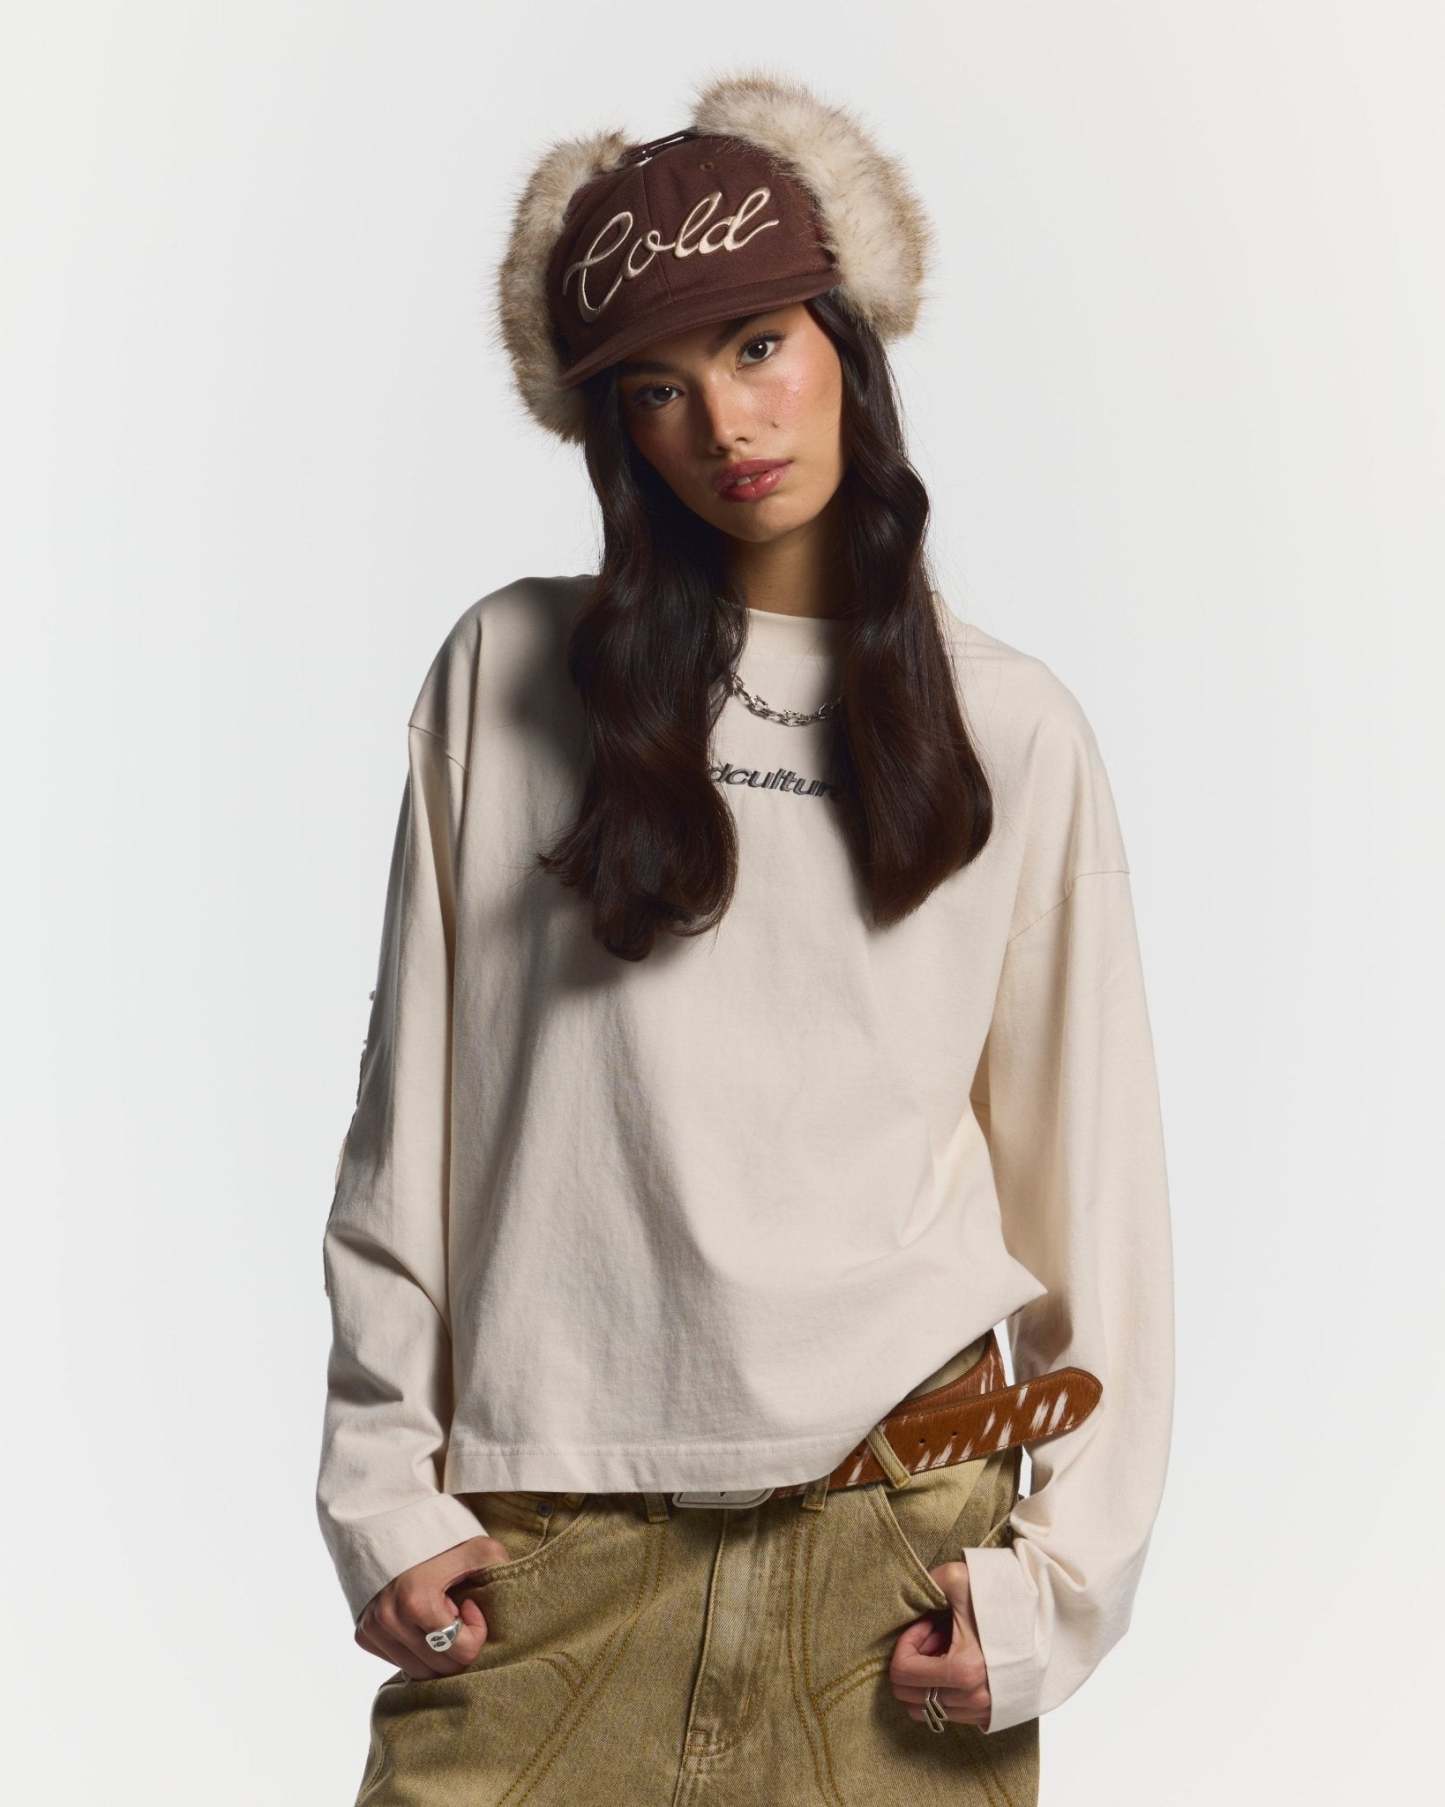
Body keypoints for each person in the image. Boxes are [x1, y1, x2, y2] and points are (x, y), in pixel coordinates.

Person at [315, 67, 1174, 1807]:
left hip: (895, 1554)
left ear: (844, 341)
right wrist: (382, 1488)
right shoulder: (509, 677)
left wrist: (1058, 1590)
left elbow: (1092, 1189)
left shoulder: (1009, 726)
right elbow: (411, 1124)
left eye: (760, 345)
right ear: (612, 431)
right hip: (549, 1548)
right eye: (658, 386)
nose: (727, 421)